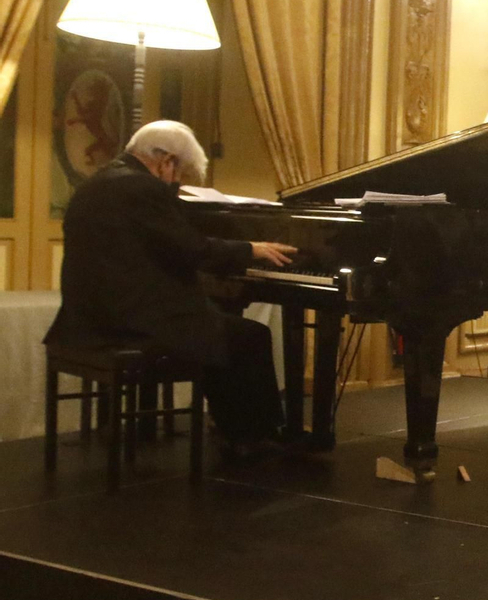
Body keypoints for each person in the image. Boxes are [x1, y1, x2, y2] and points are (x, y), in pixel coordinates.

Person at [44, 120, 298, 454]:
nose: (177, 182)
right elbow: (192, 249)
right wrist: (250, 249)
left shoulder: (95, 185)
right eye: (179, 173)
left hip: (88, 318)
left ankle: (233, 426)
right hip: (131, 322)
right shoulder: (143, 189)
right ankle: (252, 435)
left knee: (220, 327)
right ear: (167, 162)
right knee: (248, 335)